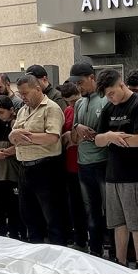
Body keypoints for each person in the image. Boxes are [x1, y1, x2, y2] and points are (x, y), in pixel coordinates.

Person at [94, 69, 138, 267]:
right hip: (113, 174)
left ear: (121, 85)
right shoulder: (109, 108)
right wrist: (111, 137)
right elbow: (98, 139)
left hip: (135, 174)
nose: (110, 98)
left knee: (137, 223)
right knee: (118, 223)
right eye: (107, 96)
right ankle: (120, 261)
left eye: (112, 93)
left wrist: (112, 137)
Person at [11, 73, 68, 245]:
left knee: (53, 216)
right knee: (29, 214)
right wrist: (16, 135)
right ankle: (35, 250)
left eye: (26, 93)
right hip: (24, 166)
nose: (23, 97)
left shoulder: (51, 108)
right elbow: (13, 135)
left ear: (38, 89)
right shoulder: (22, 110)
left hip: (46, 168)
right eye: (20, 94)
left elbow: (52, 137)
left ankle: (58, 252)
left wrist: (25, 136)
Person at [67, 61, 110, 257]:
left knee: (107, 209)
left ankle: (111, 248)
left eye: (81, 82)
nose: (78, 87)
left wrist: (88, 134)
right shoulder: (80, 103)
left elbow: (108, 135)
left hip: (102, 162)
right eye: (76, 84)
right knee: (91, 208)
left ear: (92, 78)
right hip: (83, 163)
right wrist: (77, 128)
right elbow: (74, 136)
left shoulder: (105, 100)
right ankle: (95, 249)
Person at [0, 95, 24, 238]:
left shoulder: (16, 123)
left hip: (13, 172)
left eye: (2, 112)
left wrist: (4, 152)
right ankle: (2, 230)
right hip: (0, 172)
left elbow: (20, 145)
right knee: (1, 205)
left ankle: (18, 233)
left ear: (11, 110)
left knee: (15, 207)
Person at [58, 80, 87, 245]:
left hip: (86, 161)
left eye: (75, 101)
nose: (72, 104)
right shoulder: (68, 111)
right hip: (70, 164)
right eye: (68, 102)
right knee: (75, 204)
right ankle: (80, 237)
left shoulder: (86, 107)